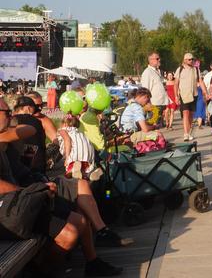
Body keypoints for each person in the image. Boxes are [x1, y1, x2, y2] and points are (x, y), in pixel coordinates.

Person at [0, 98, 123, 276]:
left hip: (28, 195)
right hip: (10, 209)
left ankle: (95, 252)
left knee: (81, 203)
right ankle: (42, 270)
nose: (11, 116)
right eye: (6, 112)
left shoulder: (7, 143)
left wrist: (37, 186)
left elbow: (29, 130)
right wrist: (30, 191)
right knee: (71, 230)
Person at [174, 53, 208, 141]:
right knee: (185, 113)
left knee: (191, 115)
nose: (191, 61)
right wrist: (176, 96)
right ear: (184, 60)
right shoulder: (180, 69)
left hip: (194, 94)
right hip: (184, 95)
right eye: (189, 59)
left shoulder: (196, 69)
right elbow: (176, 83)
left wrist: (205, 92)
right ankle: (185, 133)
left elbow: (200, 81)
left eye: (192, 59)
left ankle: (188, 132)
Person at [57, 113, 98, 180]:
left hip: (76, 155)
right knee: (83, 172)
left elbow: (67, 140)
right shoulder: (79, 132)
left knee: (69, 174)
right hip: (87, 155)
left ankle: (73, 171)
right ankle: (88, 174)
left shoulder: (63, 130)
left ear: (64, 124)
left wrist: (67, 158)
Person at [140, 52, 169, 128]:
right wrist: (147, 103)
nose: (159, 60)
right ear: (150, 60)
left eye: (159, 58)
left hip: (160, 104)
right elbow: (145, 90)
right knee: (153, 127)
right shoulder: (147, 72)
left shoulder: (157, 71)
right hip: (153, 105)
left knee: (158, 127)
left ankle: (158, 140)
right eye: (157, 58)